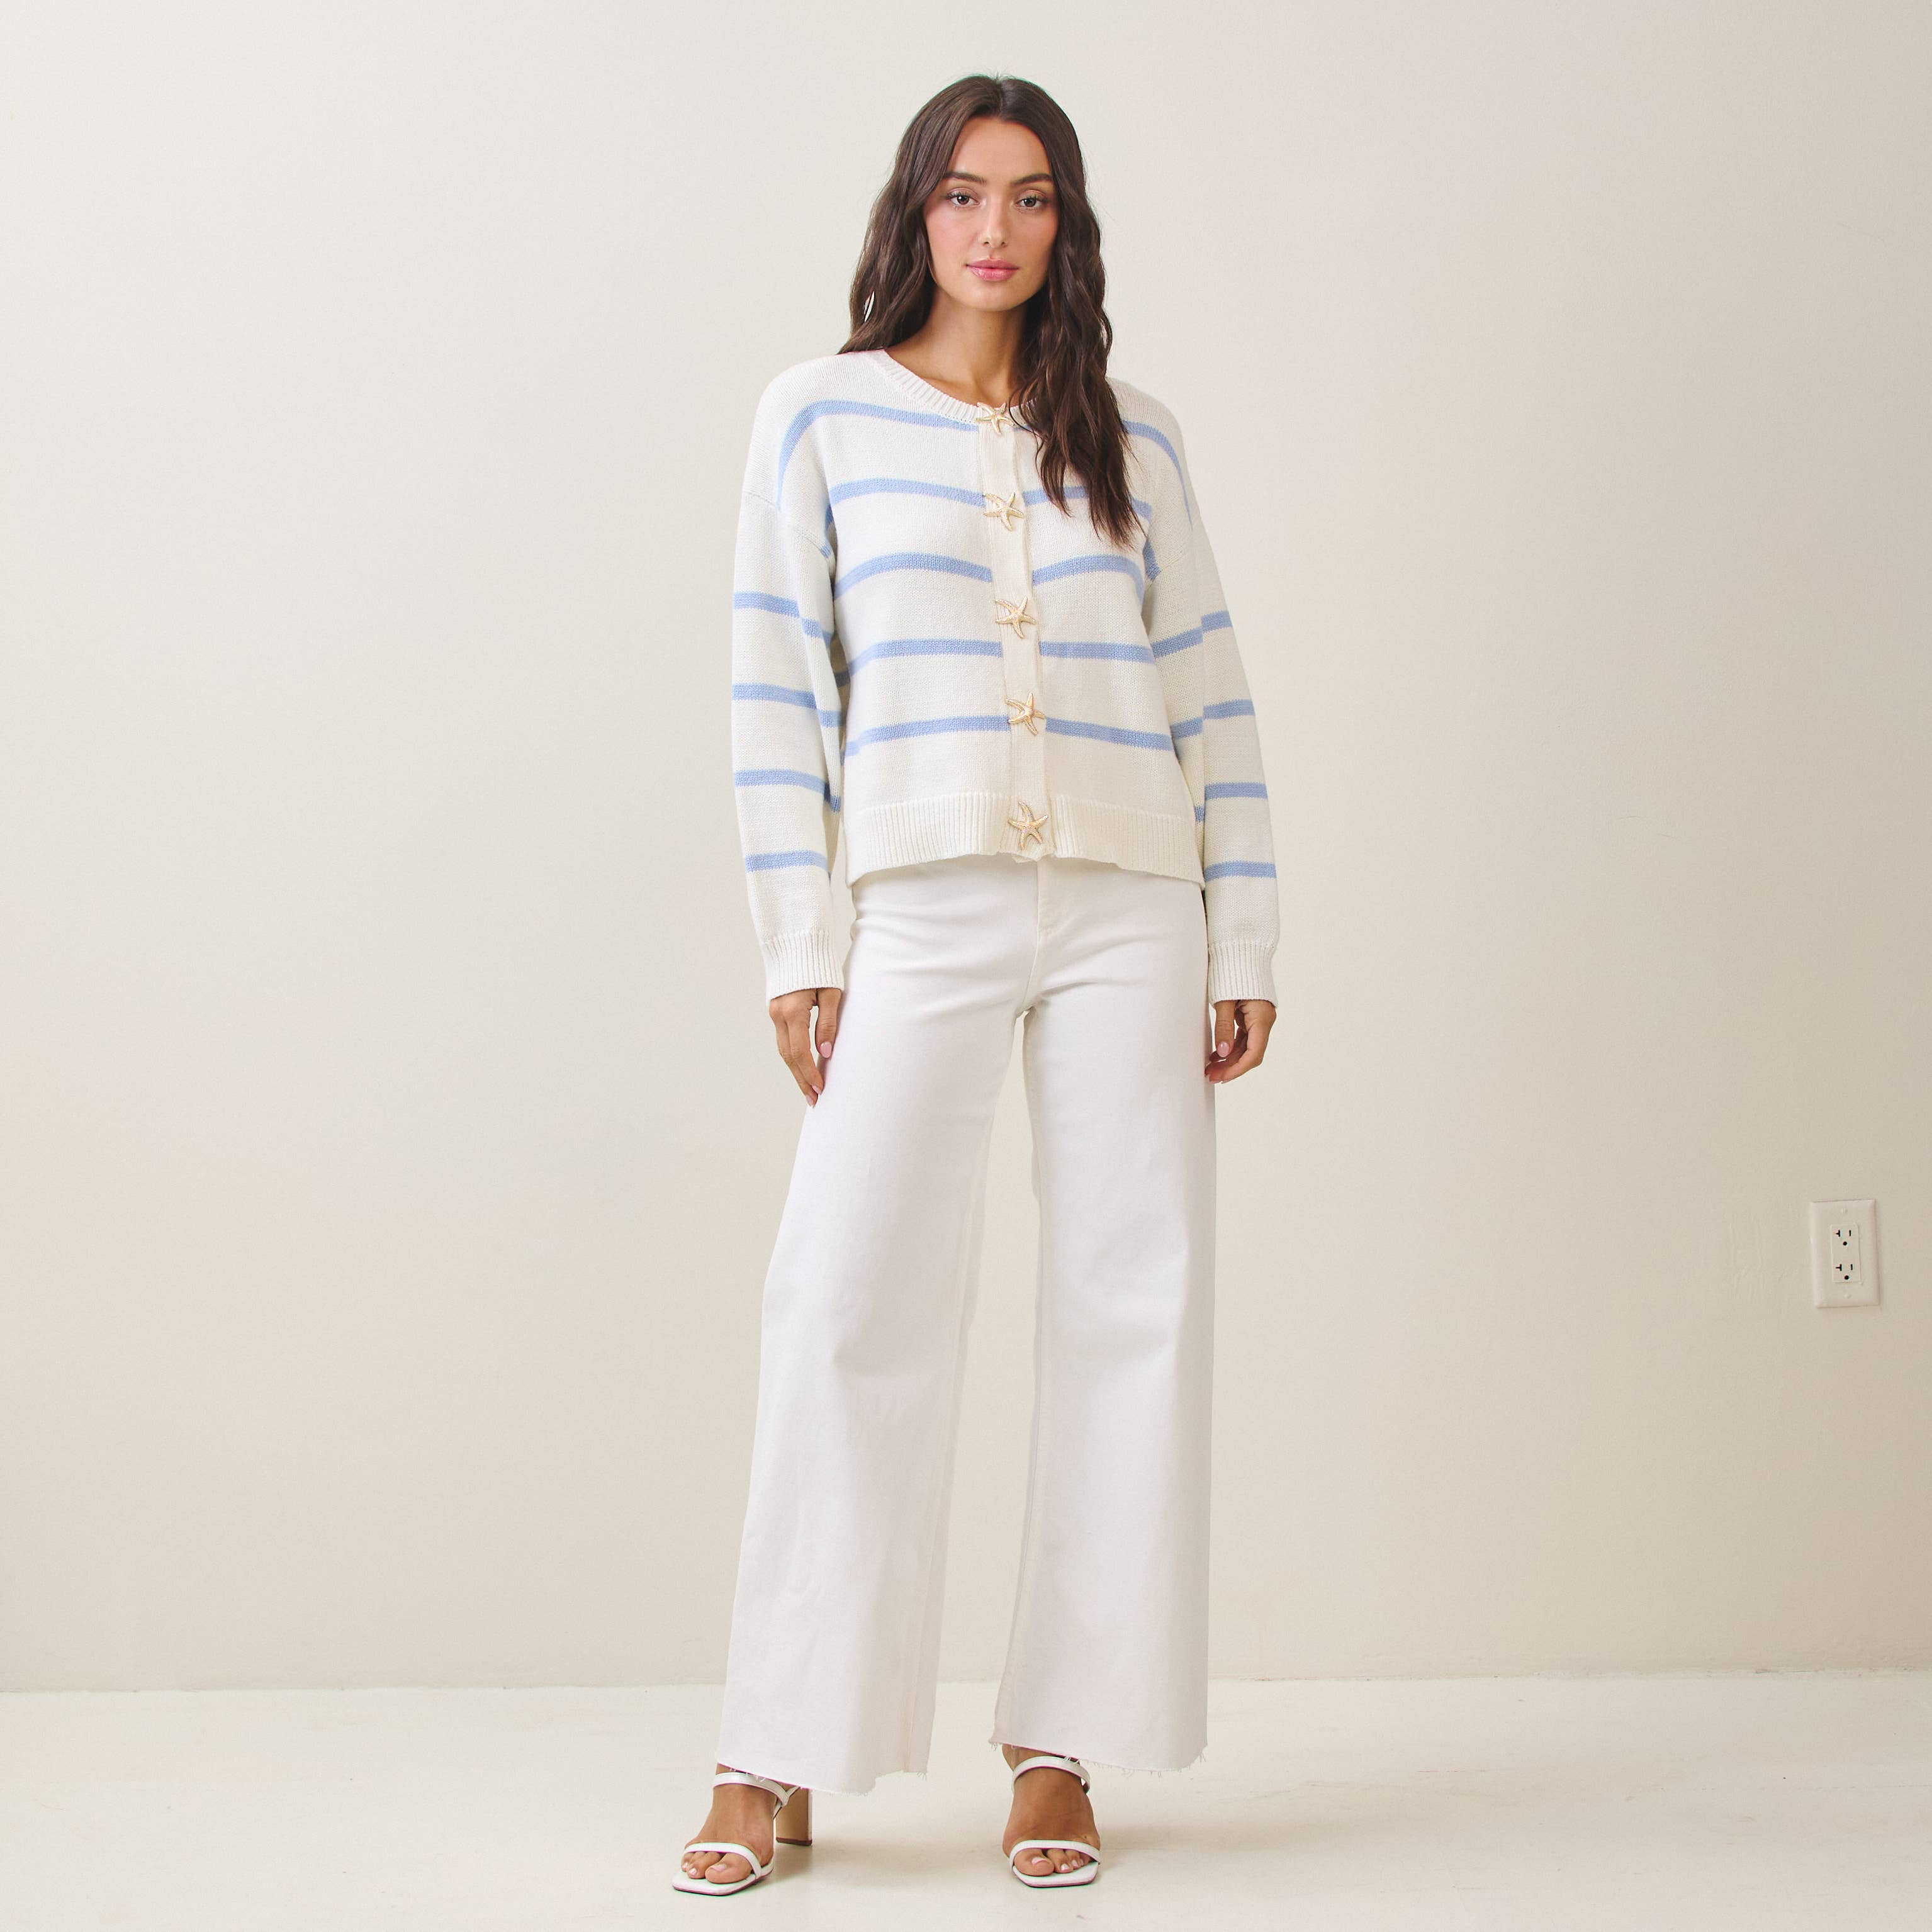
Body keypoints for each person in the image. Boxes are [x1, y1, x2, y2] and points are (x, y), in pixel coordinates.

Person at [676, 71, 1281, 1897]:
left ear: (1064, 223)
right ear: (915, 214)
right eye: (963, 195)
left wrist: (1241, 932)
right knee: (847, 1296)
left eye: (1028, 197)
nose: (994, 229)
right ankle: (775, 1747)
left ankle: (1062, 1743)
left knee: (1130, 1305)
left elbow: (1208, 690)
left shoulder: (1133, 436)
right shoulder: (822, 414)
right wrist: (802, 943)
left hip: (1130, 903)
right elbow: (776, 690)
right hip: (920, 904)